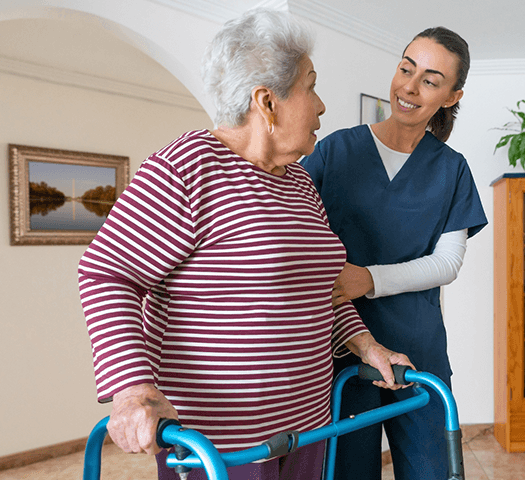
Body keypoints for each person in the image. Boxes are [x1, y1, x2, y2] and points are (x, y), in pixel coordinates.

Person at [77, 9, 412, 480]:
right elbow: (107, 273)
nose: (320, 107)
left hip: (308, 424)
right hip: (222, 441)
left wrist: (365, 344)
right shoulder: (185, 167)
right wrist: (132, 389)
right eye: (310, 86)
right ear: (267, 101)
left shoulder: (298, 183)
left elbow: (320, 285)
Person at [300, 26, 487, 480]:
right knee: (347, 469)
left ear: (450, 95)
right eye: (407, 68)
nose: (410, 86)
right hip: (340, 344)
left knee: (431, 468)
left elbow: (448, 263)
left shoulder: (451, 169)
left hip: (417, 344)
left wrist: (369, 279)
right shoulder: (335, 152)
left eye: (430, 79)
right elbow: (297, 234)